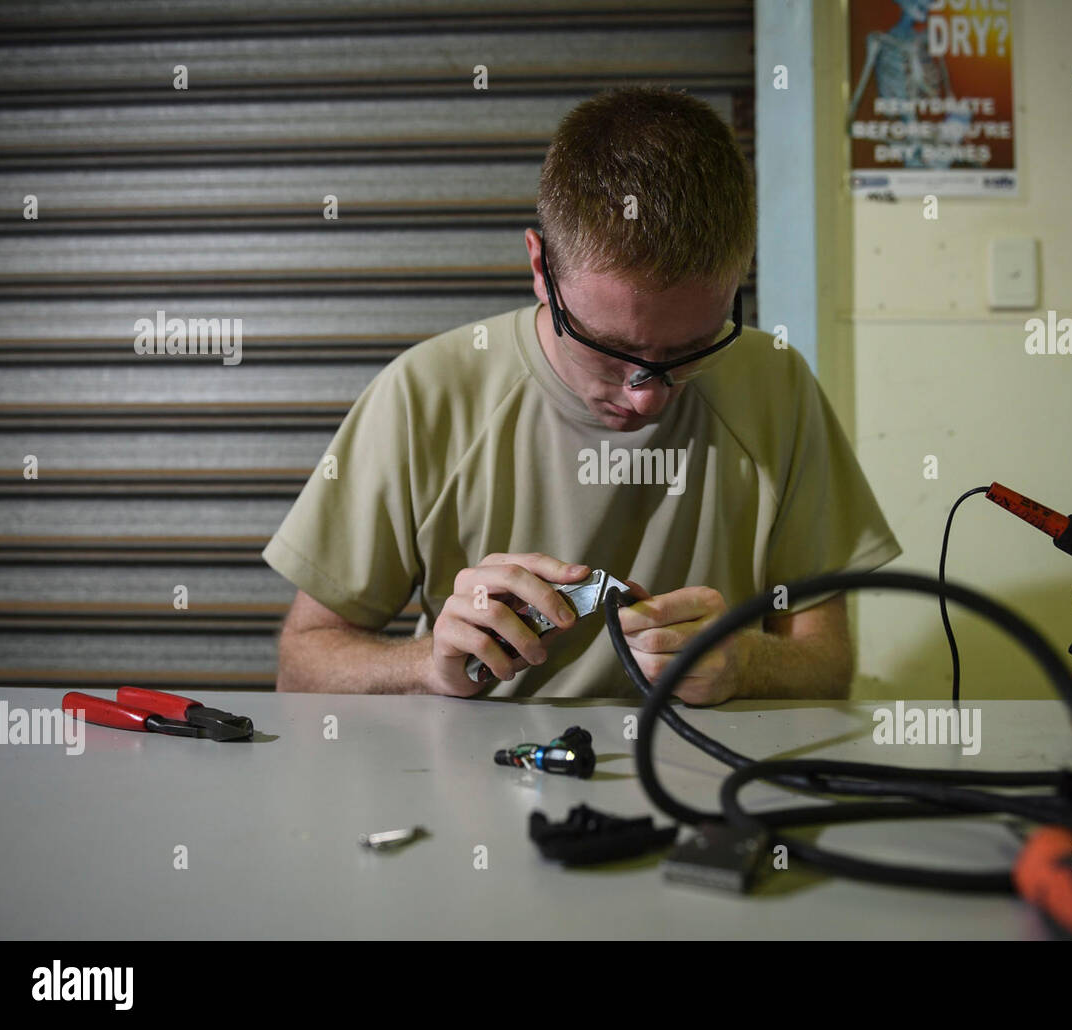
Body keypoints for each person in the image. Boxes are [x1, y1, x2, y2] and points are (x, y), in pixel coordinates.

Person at [264, 85, 901, 703]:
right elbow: (302, 662)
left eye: (690, 351)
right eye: (609, 348)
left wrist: (747, 662)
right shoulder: (422, 396)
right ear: (540, 268)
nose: (648, 398)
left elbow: (829, 664)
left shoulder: (777, 383)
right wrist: (426, 666)